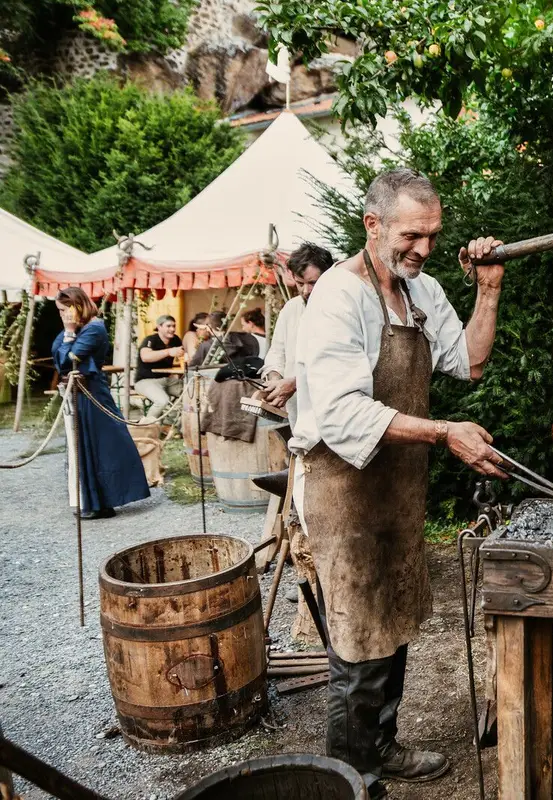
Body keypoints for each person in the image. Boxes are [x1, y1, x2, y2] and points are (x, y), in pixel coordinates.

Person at [290, 167, 507, 796]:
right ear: (372, 225)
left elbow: (468, 361)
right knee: (358, 636)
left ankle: (381, 746)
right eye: (412, 235)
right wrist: (444, 433)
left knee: (395, 619)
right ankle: (350, 775)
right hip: (343, 489)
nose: (425, 249)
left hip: (396, 487)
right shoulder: (338, 296)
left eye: (434, 236)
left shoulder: (422, 292)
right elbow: (339, 414)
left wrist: (487, 290)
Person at [52, 288, 150, 519]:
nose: (62, 315)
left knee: (100, 444)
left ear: (76, 307)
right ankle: (96, 502)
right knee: (85, 444)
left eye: (64, 310)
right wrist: (68, 334)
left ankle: (101, 502)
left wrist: (68, 332)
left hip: (92, 392)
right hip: (81, 392)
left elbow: (68, 362)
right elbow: (57, 353)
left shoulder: (93, 329)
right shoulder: (82, 328)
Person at [261, 242, 335, 425]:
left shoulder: (340, 310)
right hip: (298, 412)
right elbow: (277, 351)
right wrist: (275, 378)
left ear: (329, 277)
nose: (305, 291)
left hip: (332, 410)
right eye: (300, 283)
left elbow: (336, 365)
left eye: (312, 283)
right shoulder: (291, 308)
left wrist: (294, 383)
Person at [134, 314, 184, 422]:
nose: (172, 329)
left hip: (166, 380)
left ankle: (177, 426)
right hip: (145, 381)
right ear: (159, 327)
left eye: (174, 326)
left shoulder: (176, 340)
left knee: (190, 393)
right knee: (162, 401)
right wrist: (168, 352)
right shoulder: (151, 339)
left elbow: (183, 356)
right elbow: (145, 357)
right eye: (169, 326)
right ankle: (146, 428)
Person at [189, 310, 260, 367]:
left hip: (217, 381)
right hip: (243, 378)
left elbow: (192, 368)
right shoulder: (246, 339)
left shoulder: (206, 346)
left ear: (209, 327)